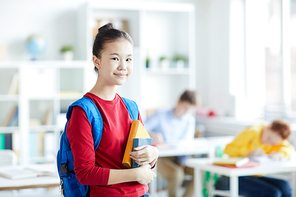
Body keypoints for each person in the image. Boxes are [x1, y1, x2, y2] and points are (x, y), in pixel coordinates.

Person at [66, 23, 159, 197]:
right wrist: (134, 175)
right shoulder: (83, 111)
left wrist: (153, 154)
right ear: (96, 61)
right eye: (115, 58)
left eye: (128, 59)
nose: (123, 66)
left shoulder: (131, 107)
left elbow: (140, 158)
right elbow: (85, 173)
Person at [215, 120, 295, 197]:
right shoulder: (252, 131)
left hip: (254, 176)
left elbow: (289, 148)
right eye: (269, 139)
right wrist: (248, 152)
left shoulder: (277, 138)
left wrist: (280, 154)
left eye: (272, 143)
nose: (268, 143)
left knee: (284, 186)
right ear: (268, 127)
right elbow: (228, 149)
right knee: (273, 193)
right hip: (234, 177)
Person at [144, 90, 199, 197]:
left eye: (190, 110)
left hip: (180, 158)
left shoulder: (190, 120)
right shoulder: (160, 115)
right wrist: (153, 134)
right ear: (178, 102)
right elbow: (142, 128)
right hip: (159, 158)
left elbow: (187, 143)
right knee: (177, 175)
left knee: (201, 173)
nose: (187, 112)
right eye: (185, 108)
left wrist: (183, 162)